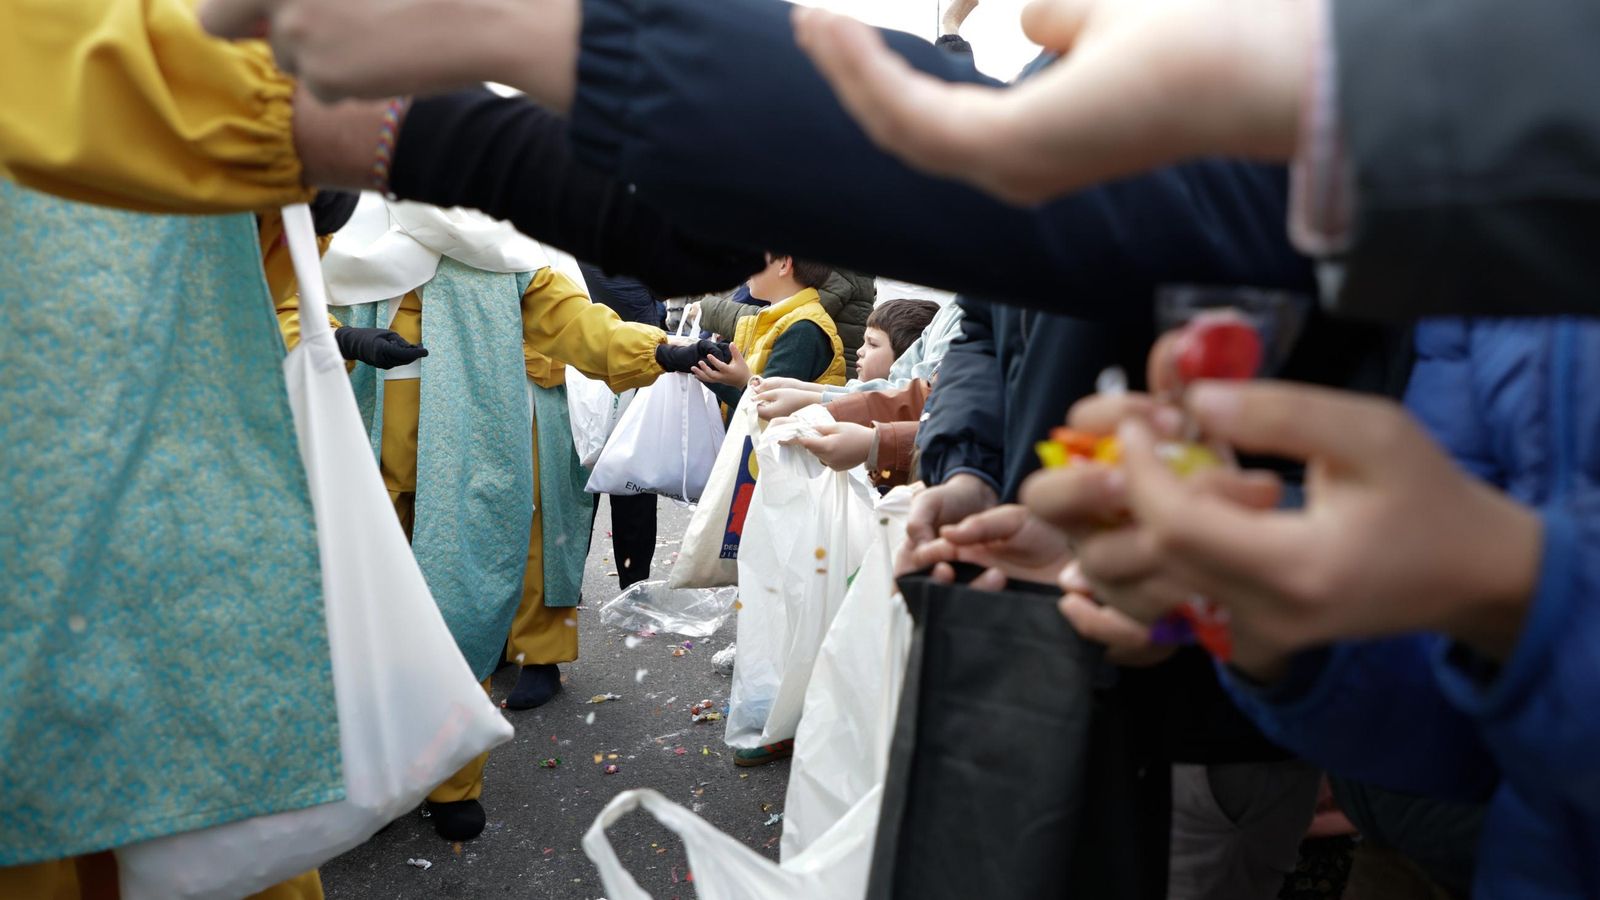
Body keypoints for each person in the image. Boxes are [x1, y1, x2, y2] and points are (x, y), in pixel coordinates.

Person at [690, 253, 846, 414]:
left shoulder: (803, 329)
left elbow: (767, 409)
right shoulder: (781, 319)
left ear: (784, 265)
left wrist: (724, 379)